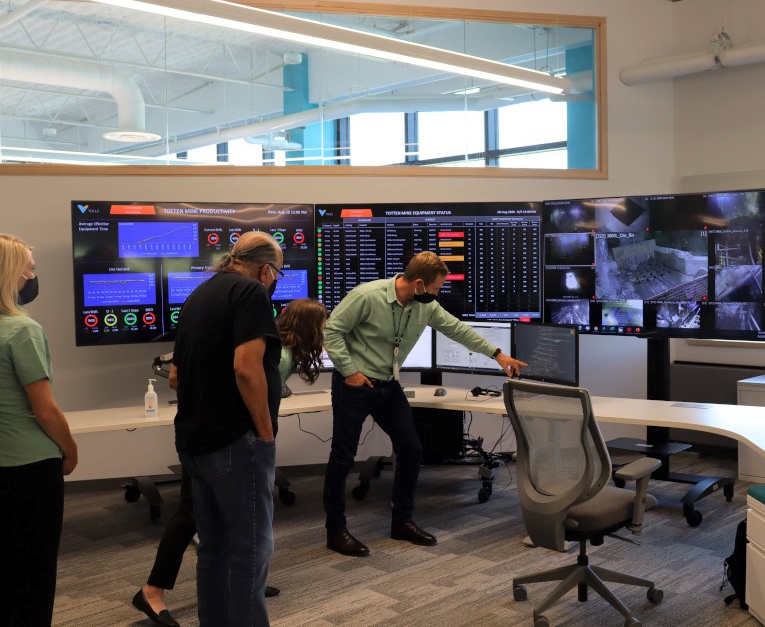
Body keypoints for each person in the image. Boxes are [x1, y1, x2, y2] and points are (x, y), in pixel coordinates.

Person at [133, 298, 329, 627]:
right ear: (312, 328)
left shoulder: (270, 348)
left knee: (212, 522)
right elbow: (248, 390)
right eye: (324, 324)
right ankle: (152, 591)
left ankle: (242, 585)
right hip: (225, 443)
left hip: (203, 436)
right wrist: (265, 437)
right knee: (193, 515)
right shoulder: (278, 355)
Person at [323, 251, 526, 557]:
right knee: (342, 456)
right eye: (434, 288)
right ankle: (335, 530)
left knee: (411, 448)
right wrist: (349, 371)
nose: (437, 294)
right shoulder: (367, 296)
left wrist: (498, 354)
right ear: (418, 284)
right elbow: (331, 331)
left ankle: (402, 521)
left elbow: (458, 330)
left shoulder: (425, 306)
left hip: (388, 386)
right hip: (355, 385)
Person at [169, 231, 283, 627]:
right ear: (265, 270)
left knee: (213, 550)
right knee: (250, 552)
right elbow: (246, 369)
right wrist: (266, 434)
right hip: (237, 443)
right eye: (276, 276)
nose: (273, 283)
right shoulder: (251, 294)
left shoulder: (199, 295)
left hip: (196, 441)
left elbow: (174, 376)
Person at [0, 233, 79, 627]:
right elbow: (45, 411)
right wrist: (71, 449)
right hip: (29, 469)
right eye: (30, 267)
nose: (34, 275)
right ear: (11, 273)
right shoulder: (22, 330)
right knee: (33, 570)